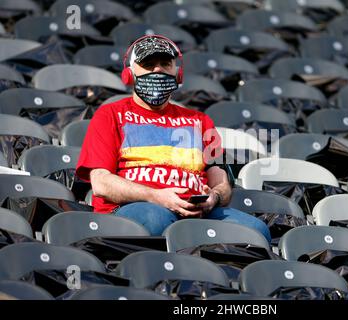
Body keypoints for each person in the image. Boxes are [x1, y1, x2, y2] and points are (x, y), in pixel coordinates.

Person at [76, 35, 271, 242]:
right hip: (132, 208)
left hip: (197, 211)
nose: (158, 70)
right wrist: (156, 196)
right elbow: (101, 183)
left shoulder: (201, 120)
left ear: (177, 74)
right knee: (157, 219)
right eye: (148, 65)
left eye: (165, 64)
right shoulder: (110, 115)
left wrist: (214, 197)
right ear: (129, 75)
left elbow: (220, 179)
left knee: (256, 231)